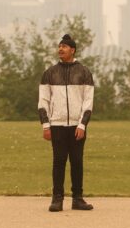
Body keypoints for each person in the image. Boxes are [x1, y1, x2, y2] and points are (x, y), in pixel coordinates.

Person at [38, 34, 95, 212]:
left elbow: (88, 102)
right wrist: (46, 125)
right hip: (57, 125)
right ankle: (57, 199)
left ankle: (77, 198)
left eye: (64, 46)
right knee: (59, 161)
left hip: (77, 126)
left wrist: (82, 125)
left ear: (73, 50)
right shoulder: (49, 73)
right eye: (59, 46)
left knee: (77, 162)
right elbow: (43, 101)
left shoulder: (84, 72)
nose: (60, 49)